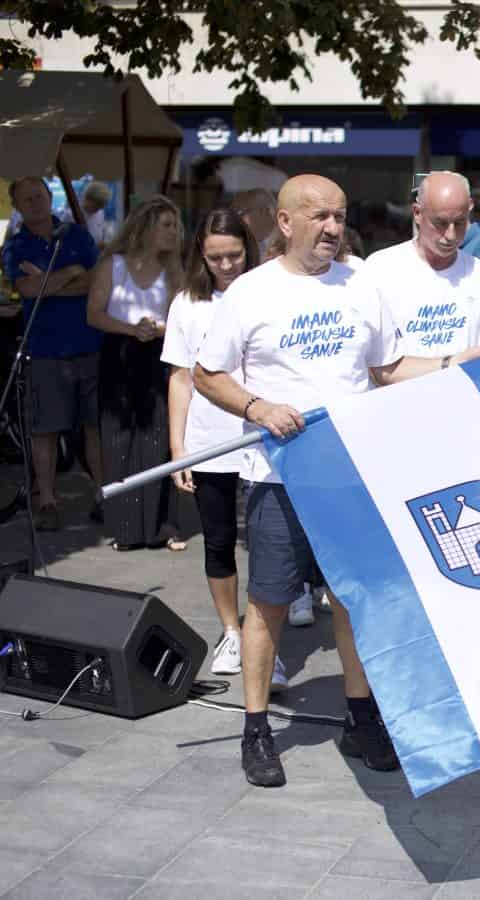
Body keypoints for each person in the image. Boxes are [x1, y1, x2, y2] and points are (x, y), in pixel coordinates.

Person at [194, 174, 480, 788]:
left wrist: (453, 362)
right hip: (280, 479)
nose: (333, 227)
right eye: (320, 216)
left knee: (353, 600)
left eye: (340, 215)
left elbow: (388, 367)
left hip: (354, 475)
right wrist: (257, 408)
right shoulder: (250, 292)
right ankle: (257, 729)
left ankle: (362, 719)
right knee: (269, 605)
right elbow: (206, 374)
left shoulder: (362, 284)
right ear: (285, 223)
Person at [161, 209, 261, 679]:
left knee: (269, 543)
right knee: (218, 540)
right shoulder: (187, 303)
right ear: (200, 255)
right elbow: (180, 377)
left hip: (264, 436)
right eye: (214, 257)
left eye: (234, 255)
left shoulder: (267, 291)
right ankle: (232, 631)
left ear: (248, 249)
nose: (225, 266)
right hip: (208, 439)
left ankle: (265, 633)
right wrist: (177, 447)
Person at [1, 176, 103, 530]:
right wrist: (70, 273)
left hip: (89, 344)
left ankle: (103, 494)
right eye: (26, 199)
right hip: (45, 349)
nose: (34, 202)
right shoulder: (15, 245)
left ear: (49, 197)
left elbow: (94, 281)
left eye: (39, 195)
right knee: (45, 429)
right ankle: (47, 501)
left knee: (93, 426)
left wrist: (48, 280)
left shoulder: (78, 235)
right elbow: (28, 290)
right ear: (17, 206)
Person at [86, 195, 184, 551]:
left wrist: (158, 330)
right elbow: (94, 314)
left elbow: (181, 318)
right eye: (167, 225)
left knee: (157, 437)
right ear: (145, 227)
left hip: (158, 353)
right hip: (120, 353)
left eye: (176, 225)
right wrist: (131, 329)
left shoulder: (174, 271)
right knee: (119, 439)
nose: (174, 232)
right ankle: (125, 529)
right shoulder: (112, 265)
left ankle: (160, 526)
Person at [362, 171, 480, 363]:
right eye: (440, 223)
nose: (450, 235)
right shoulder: (379, 269)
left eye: (459, 222)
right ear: (417, 213)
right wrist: (448, 365)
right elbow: (372, 362)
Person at [231, 188, 278, 258]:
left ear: (264, 211)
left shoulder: (288, 242)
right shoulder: (240, 247)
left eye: (241, 213)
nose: (236, 220)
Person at [80, 181, 113, 247]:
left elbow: (102, 230)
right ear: (88, 199)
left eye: (101, 206)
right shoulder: (72, 215)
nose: (98, 209)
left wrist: (104, 241)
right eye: (97, 205)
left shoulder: (100, 213)